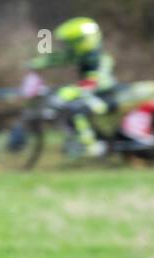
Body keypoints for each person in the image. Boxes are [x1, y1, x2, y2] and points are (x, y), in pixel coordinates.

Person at [29, 17, 117, 158]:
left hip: (104, 97)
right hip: (93, 95)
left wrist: (70, 91)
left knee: (77, 111)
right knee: (68, 110)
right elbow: (61, 58)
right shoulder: (84, 55)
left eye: (72, 42)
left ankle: (93, 147)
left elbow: (92, 82)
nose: (69, 46)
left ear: (82, 40)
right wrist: (37, 63)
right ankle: (78, 144)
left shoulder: (97, 59)